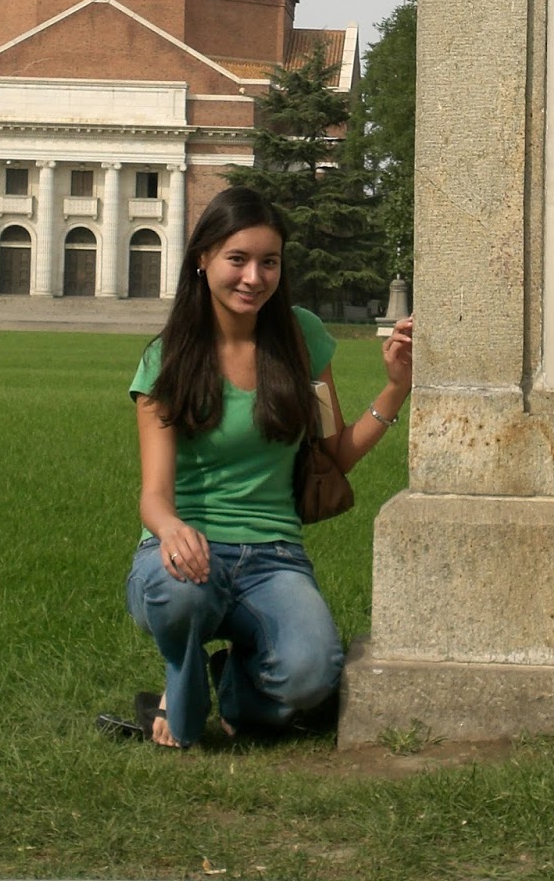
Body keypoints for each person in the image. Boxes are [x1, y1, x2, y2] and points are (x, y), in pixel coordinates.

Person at [121, 186, 413, 748]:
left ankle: (231, 686)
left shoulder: (300, 339)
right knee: (182, 597)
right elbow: (153, 495)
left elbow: (334, 455)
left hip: (274, 557)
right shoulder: (167, 359)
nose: (254, 277)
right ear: (202, 259)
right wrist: (173, 531)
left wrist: (396, 388)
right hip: (186, 554)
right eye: (238, 259)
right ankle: (178, 693)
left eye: (269, 262)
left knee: (310, 677)